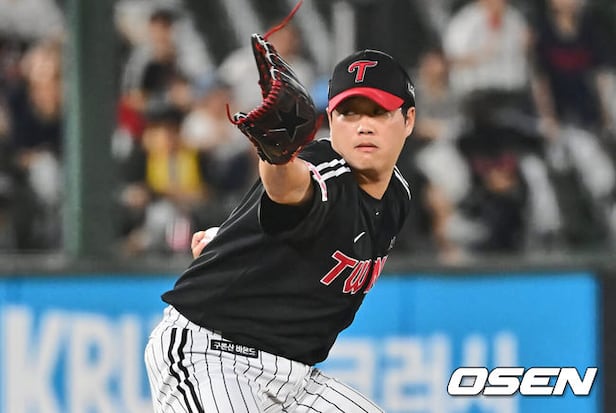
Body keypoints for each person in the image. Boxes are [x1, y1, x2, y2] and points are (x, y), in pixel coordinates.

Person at [144, 48, 416, 412]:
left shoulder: (397, 195)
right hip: (211, 355)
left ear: (408, 120)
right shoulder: (324, 169)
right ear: (330, 120)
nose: (363, 126)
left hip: (296, 379)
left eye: (379, 112)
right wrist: (277, 154)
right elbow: (289, 187)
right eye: (349, 113)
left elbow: (290, 234)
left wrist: (229, 241)